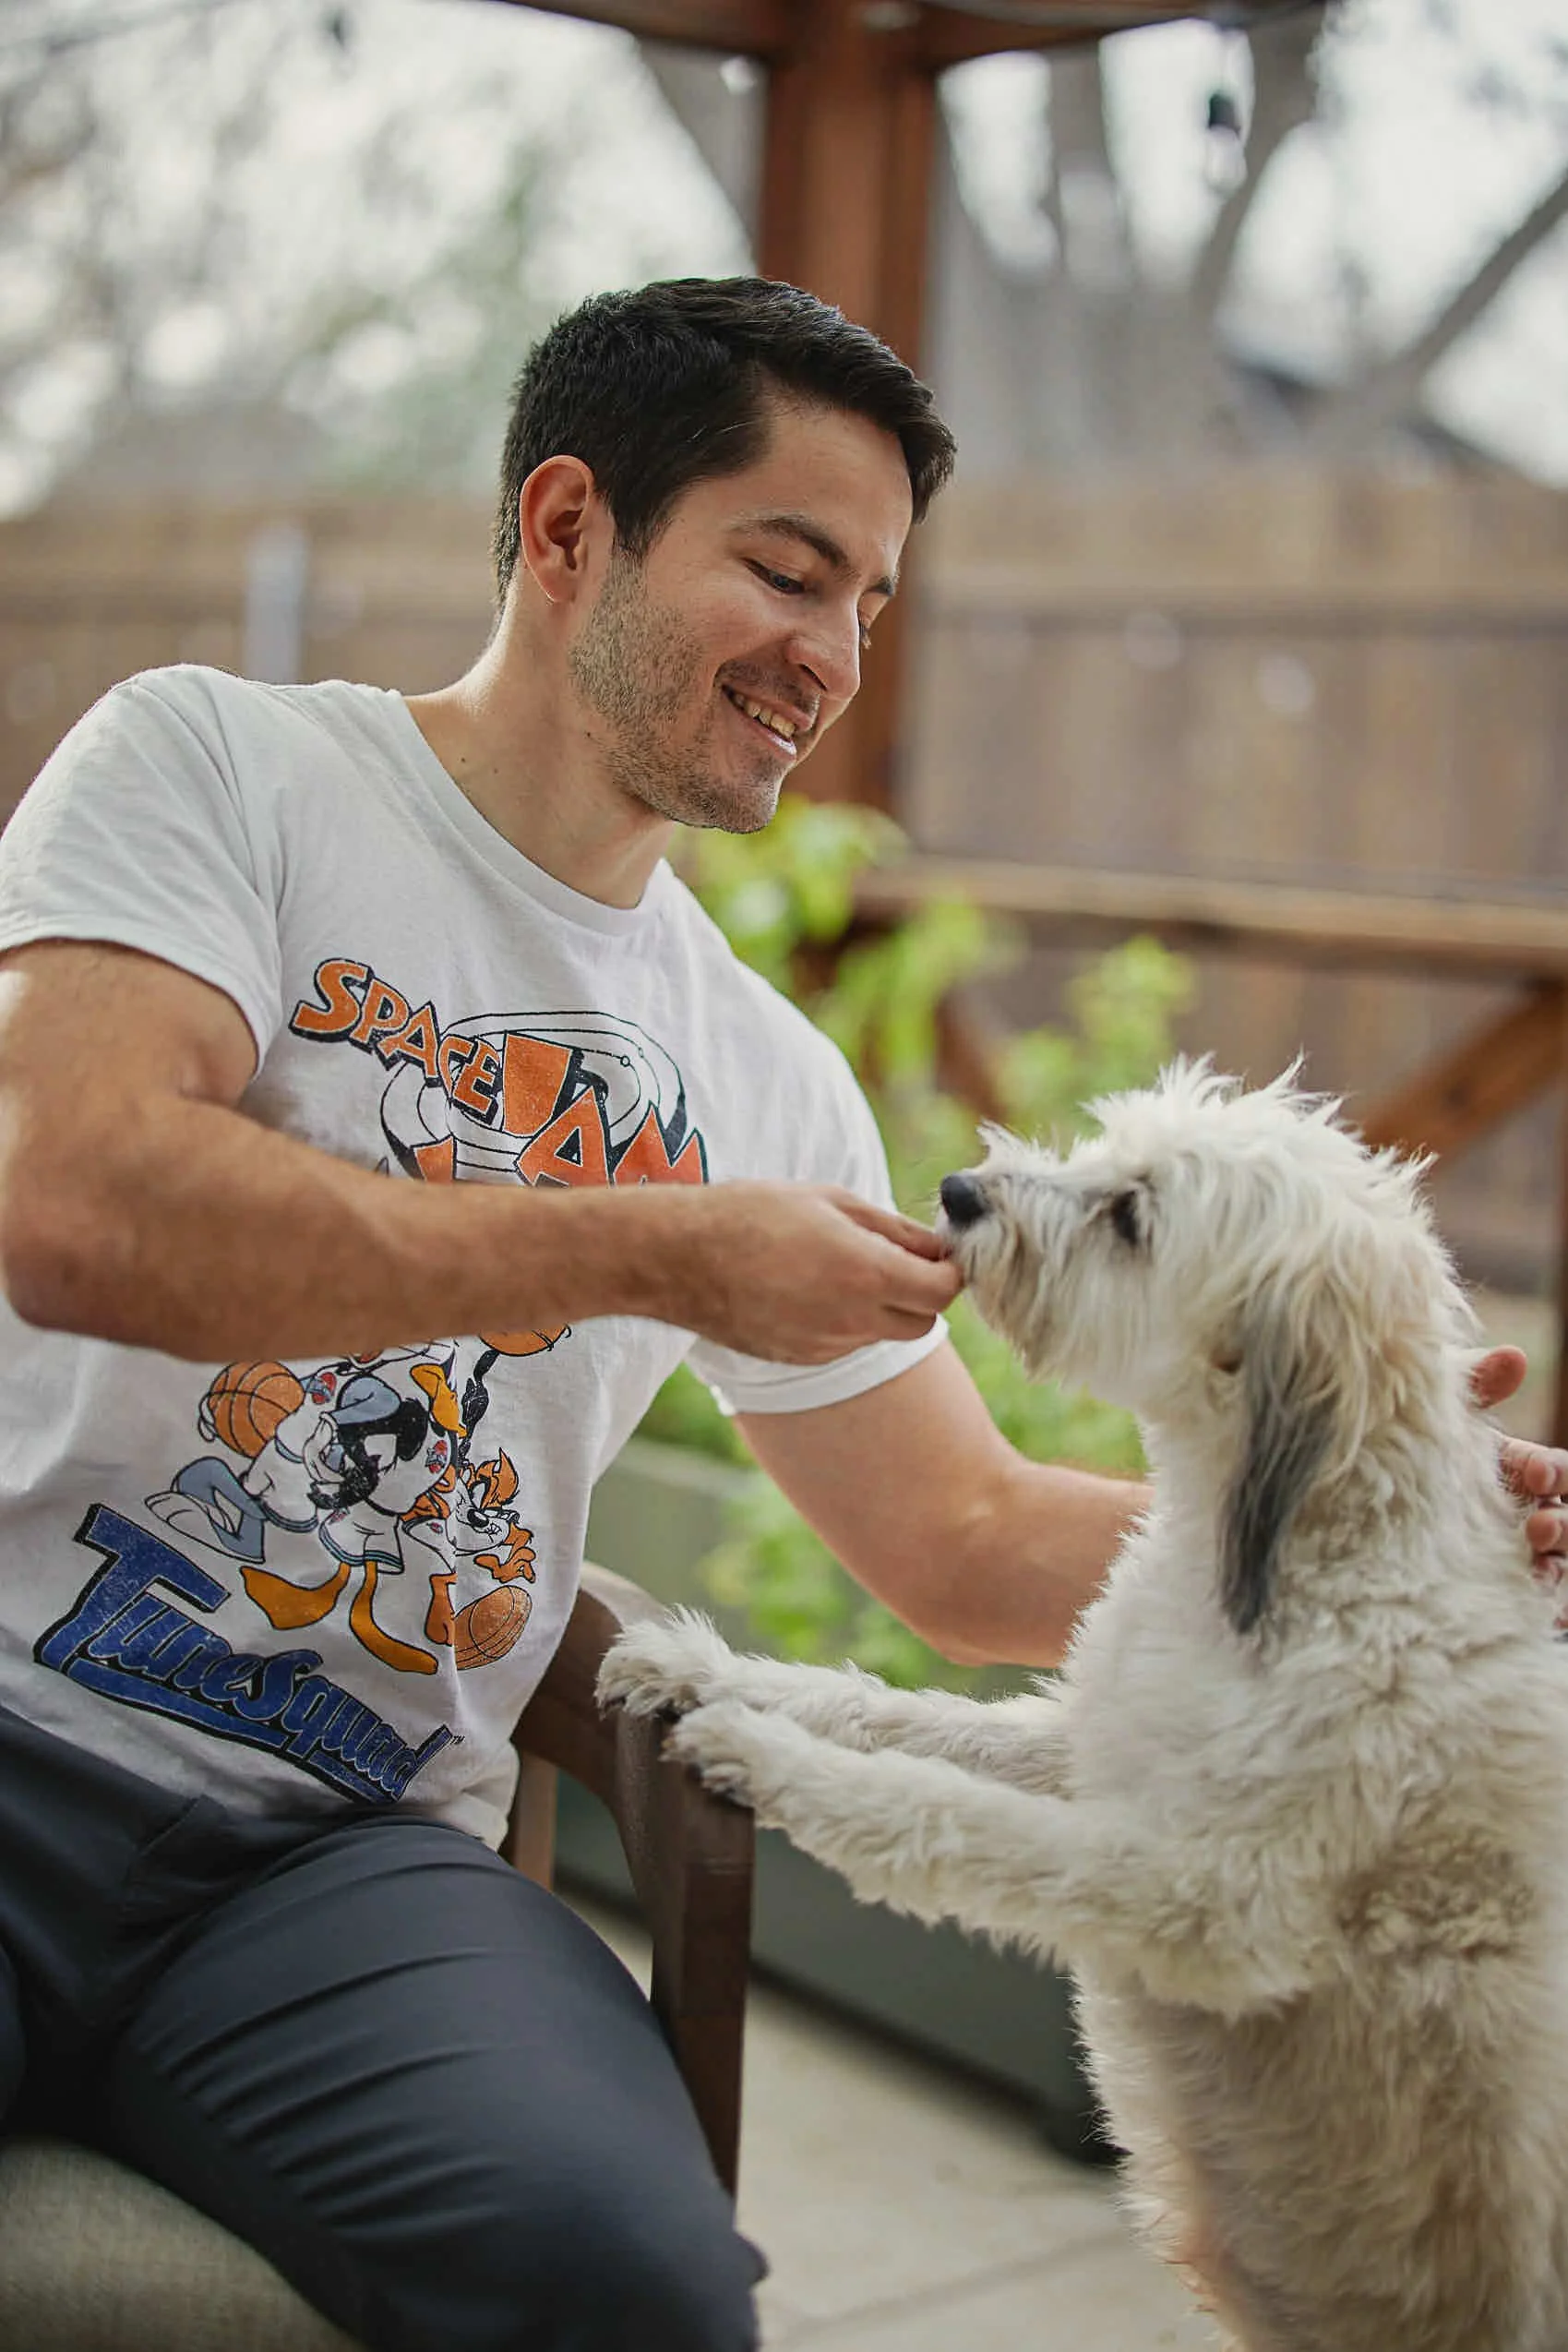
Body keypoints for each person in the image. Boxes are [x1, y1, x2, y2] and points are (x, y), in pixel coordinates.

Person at [0, 277, 1560, 2352]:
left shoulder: (762, 1067)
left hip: (342, 1865)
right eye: (788, 569)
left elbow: (972, 1544)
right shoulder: (223, 765)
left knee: (640, 2293)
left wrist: (1392, 1512)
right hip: (22, 1734)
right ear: (570, 531)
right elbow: (76, 1200)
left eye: (873, 604)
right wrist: (652, 1245)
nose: (828, 660)